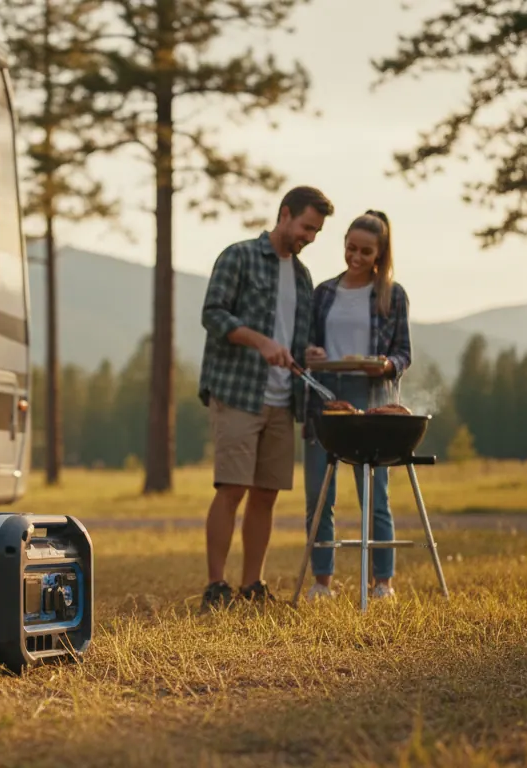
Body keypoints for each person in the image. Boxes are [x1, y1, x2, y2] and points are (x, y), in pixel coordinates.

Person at [198, 185, 334, 610]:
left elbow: (296, 338)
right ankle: (216, 586)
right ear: (285, 214)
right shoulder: (238, 256)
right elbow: (213, 314)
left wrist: (307, 352)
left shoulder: (303, 276)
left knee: (266, 494)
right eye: (306, 227)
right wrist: (260, 342)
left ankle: (251, 584)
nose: (309, 237)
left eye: (316, 233)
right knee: (233, 487)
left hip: (282, 399)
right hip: (238, 391)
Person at [301, 209, 412, 601]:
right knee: (318, 495)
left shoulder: (392, 295)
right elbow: (309, 346)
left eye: (366, 252)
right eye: (351, 248)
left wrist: (386, 364)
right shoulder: (325, 293)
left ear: (379, 254)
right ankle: (322, 582)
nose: (356, 257)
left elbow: (403, 354)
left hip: (371, 398)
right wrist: (310, 352)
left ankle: (382, 583)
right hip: (326, 397)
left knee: (374, 495)